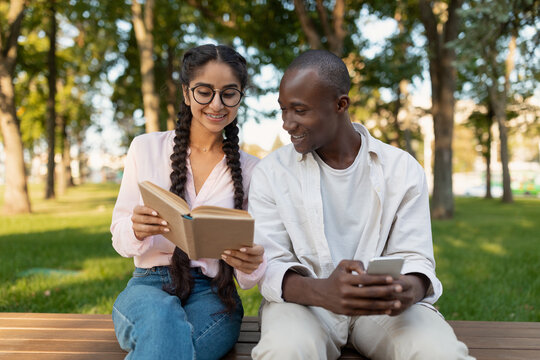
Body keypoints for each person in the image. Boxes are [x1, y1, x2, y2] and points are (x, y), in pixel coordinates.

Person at [249, 50, 473, 360]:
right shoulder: (271, 172)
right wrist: (324, 292)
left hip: (381, 310)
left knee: (441, 353)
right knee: (284, 352)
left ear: (341, 105)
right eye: (283, 110)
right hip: (306, 305)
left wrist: (409, 288)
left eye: (299, 110)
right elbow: (269, 264)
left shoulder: (401, 168)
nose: (287, 123)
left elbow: (417, 259)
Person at [110, 44, 266, 360]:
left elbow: (252, 273)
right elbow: (119, 236)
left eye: (229, 93)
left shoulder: (253, 170)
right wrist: (136, 229)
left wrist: (250, 263)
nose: (217, 104)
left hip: (215, 294)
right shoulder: (145, 148)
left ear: (240, 97)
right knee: (161, 316)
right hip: (148, 285)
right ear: (186, 92)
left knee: (165, 343)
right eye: (204, 92)